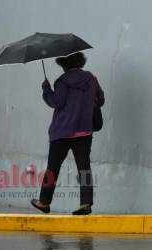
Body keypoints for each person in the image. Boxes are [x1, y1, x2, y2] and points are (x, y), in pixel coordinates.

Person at [31, 52, 105, 215]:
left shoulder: (62, 82)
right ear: (80, 62)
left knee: (53, 169)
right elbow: (101, 100)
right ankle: (85, 204)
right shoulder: (91, 78)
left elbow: (56, 102)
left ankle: (44, 202)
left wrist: (46, 89)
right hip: (84, 131)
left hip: (62, 132)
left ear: (64, 64)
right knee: (84, 168)